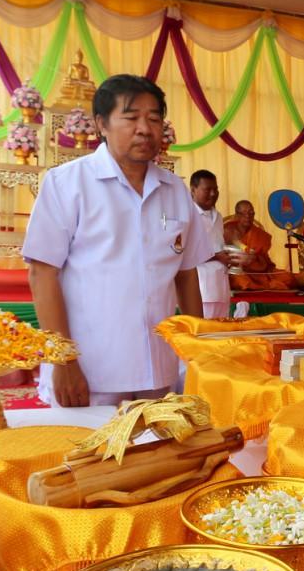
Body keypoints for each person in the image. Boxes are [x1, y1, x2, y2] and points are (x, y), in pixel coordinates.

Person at [23, 74, 210, 408]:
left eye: (154, 119)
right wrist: (63, 360)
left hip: (160, 370)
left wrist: (200, 351)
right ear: (101, 124)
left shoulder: (175, 190)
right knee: (85, 444)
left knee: (160, 442)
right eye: (131, 117)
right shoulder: (68, 183)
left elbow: (186, 273)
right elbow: (42, 273)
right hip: (90, 372)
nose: (144, 129)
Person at [188, 169, 239, 317]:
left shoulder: (218, 216)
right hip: (202, 290)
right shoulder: (187, 215)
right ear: (193, 190)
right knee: (205, 330)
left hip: (221, 288)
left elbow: (218, 246)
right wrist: (217, 256)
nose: (213, 194)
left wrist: (232, 256)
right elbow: (184, 252)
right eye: (207, 189)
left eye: (215, 189)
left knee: (221, 329)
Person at [222, 200, 296, 291]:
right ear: (237, 215)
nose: (248, 216)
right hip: (241, 272)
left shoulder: (259, 234)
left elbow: (260, 258)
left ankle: (261, 286)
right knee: (239, 280)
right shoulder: (228, 230)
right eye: (243, 213)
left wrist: (252, 257)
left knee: (288, 278)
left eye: (251, 213)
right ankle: (264, 286)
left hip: (262, 272)